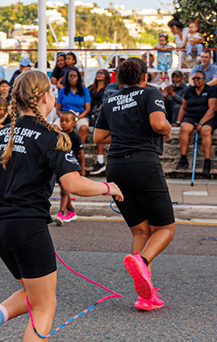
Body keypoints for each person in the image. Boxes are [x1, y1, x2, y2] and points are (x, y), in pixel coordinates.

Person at [0, 69, 122, 342]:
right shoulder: (53, 135)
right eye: (52, 92)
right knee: (45, 305)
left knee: (34, 293)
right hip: (27, 226)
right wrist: (109, 187)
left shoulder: (6, 130)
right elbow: (75, 184)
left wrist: (7, 193)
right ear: (45, 98)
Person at [94, 57, 173, 311]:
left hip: (116, 165)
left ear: (118, 79)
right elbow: (158, 124)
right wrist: (168, 129)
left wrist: (122, 128)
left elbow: (98, 136)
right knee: (165, 229)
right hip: (143, 163)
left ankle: (145, 295)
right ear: (144, 77)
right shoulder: (150, 93)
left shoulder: (110, 100)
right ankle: (143, 262)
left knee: (140, 231)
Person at [174, 70, 217, 176]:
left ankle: (207, 162)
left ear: (204, 80)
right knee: (184, 128)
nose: (196, 80)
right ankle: (183, 158)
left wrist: (202, 122)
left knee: (205, 130)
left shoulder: (211, 90)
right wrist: (178, 121)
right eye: (194, 78)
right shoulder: (189, 91)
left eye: (198, 78)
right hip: (192, 116)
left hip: (209, 117)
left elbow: (213, 108)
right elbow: (183, 107)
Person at [54, 111, 86, 225]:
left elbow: (81, 154)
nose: (63, 123)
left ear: (73, 123)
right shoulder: (58, 136)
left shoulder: (76, 137)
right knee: (65, 189)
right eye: (61, 121)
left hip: (70, 167)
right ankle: (71, 210)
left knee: (64, 189)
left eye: (67, 121)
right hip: (60, 166)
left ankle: (60, 213)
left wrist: (82, 169)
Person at [55, 68, 91, 143]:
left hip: (80, 116)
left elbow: (87, 109)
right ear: (67, 78)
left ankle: (78, 149)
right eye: (70, 76)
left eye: (75, 76)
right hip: (64, 115)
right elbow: (58, 109)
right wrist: (62, 117)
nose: (72, 78)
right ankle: (60, 149)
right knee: (55, 127)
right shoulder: (62, 90)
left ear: (78, 78)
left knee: (83, 128)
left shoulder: (85, 90)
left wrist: (77, 118)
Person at [89, 68, 111, 175]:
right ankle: (100, 161)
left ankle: (100, 161)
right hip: (91, 114)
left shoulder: (109, 89)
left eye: (102, 73)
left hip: (102, 115)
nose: (99, 74)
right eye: (97, 72)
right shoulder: (91, 89)